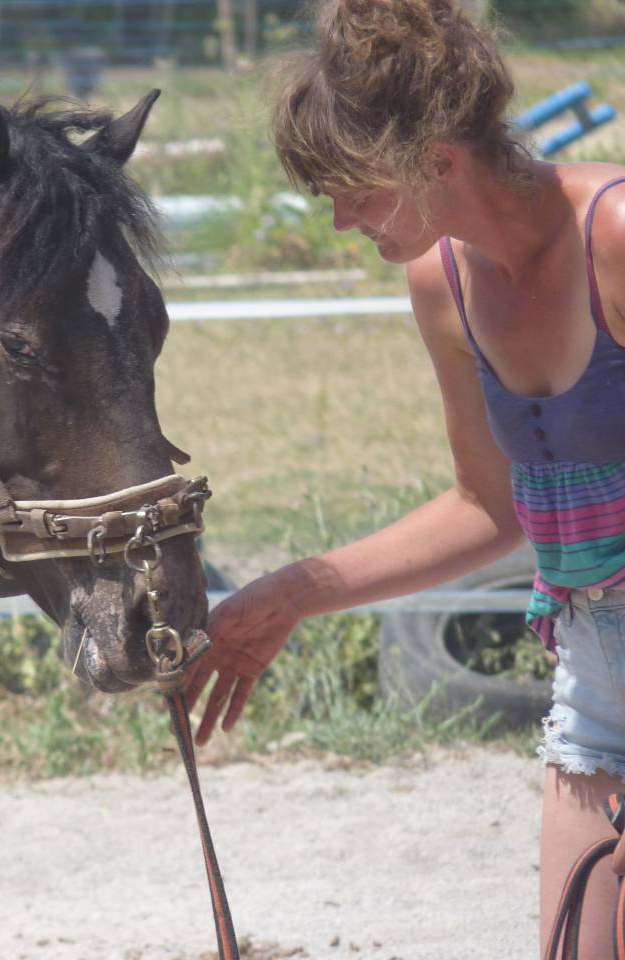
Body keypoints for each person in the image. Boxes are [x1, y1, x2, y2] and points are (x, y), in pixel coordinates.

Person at [182, 0, 625, 951]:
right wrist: (292, 594)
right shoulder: (442, 282)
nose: (341, 221)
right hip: (595, 676)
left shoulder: (617, 236)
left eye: (356, 191)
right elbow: (489, 503)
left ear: (440, 159)